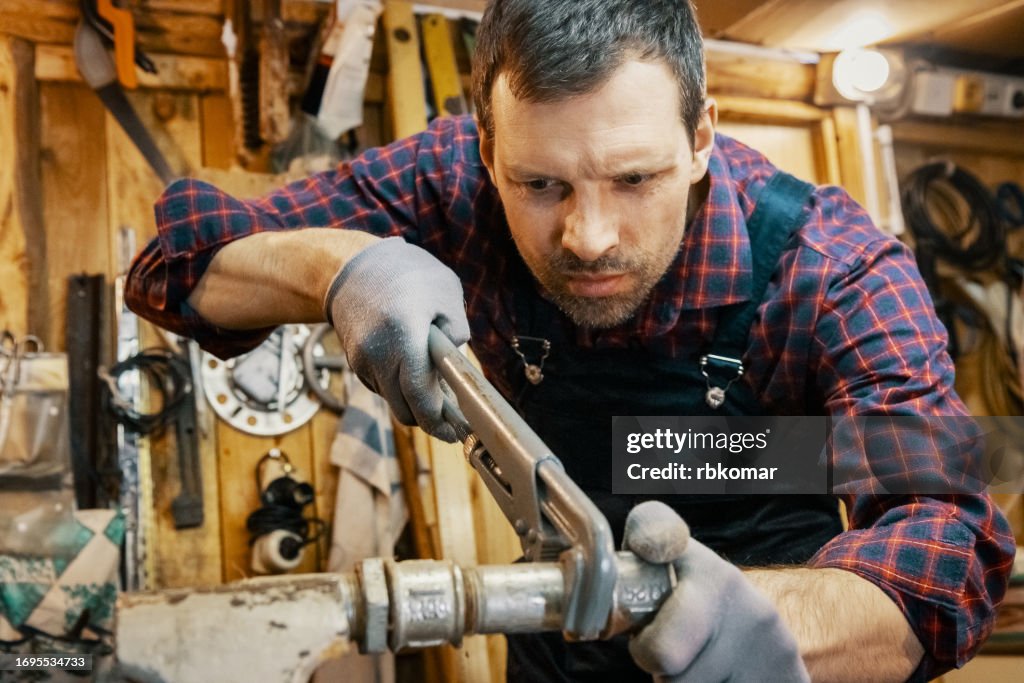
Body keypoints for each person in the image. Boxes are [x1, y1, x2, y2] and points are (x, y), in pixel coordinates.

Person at [126, 0, 1015, 681]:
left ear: (701, 136)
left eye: (635, 179)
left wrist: (775, 622)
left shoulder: (832, 269)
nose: (589, 235)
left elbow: (951, 543)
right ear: (487, 145)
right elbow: (175, 267)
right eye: (541, 184)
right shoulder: (452, 183)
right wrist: (337, 266)